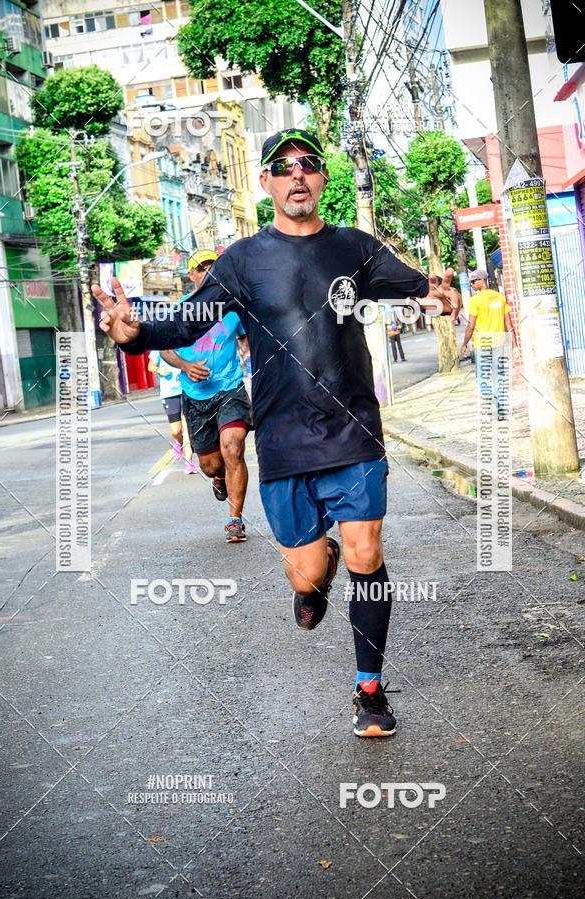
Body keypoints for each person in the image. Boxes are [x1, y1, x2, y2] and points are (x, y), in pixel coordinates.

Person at [93, 128, 461, 737]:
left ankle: (368, 691)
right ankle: (322, 567)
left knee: (369, 552)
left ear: (320, 178)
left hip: (353, 428)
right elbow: (187, 325)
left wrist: (438, 295)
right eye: (282, 167)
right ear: (265, 182)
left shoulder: (354, 249)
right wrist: (136, 333)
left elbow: (416, 285)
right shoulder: (242, 260)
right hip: (285, 439)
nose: (297, 175)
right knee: (308, 576)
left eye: (309, 165)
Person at [160, 250, 253, 544]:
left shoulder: (232, 309)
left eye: (213, 268)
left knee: (233, 447)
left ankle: (235, 520)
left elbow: (247, 334)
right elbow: (165, 348)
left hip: (229, 389)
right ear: (192, 275)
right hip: (195, 396)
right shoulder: (181, 309)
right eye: (201, 269)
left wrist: (249, 352)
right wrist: (185, 366)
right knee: (212, 464)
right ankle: (217, 476)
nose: (208, 273)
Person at [460, 268, 518, 417]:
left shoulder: (475, 300)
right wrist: (515, 345)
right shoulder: (500, 297)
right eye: (471, 282)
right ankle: (502, 407)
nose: (472, 284)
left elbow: (471, 326)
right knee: (499, 375)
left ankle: (491, 404)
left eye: (474, 281)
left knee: (483, 377)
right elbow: (509, 324)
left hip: (483, 344)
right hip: (499, 342)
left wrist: (465, 343)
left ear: (482, 281)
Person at [147, 349, 198, 474]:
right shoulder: (158, 349)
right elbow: (151, 366)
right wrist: (160, 370)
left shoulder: (184, 345)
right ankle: (178, 442)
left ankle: (189, 463)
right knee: (176, 431)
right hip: (169, 393)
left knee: (187, 429)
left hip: (187, 391)